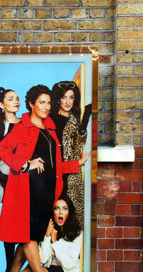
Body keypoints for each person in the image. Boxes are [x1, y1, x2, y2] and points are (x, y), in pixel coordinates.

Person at [0, 84, 90, 272]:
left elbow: (56, 166)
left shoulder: (51, 130)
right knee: (29, 239)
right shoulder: (22, 128)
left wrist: (77, 164)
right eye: (41, 103)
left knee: (33, 237)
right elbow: (1, 150)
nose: (46, 107)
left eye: (48, 102)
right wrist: (25, 164)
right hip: (28, 194)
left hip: (47, 194)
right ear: (31, 105)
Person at [50, 81, 91, 225]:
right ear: (58, 99)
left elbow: (78, 144)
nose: (68, 101)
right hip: (55, 176)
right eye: (64, 97)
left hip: (72, 177)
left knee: (72, 219)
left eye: (71, 97)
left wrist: (85, 119)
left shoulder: (74, 121)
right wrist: (77, 163)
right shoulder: (50, 120)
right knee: (53, 219)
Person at [0, 88, 21, 272]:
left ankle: (11, 270)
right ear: (1, 104)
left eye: (17, 99)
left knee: (12, 226)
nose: (15, 101)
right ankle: (2, 271)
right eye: (10, 99)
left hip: (15, 177)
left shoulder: (24, 124)